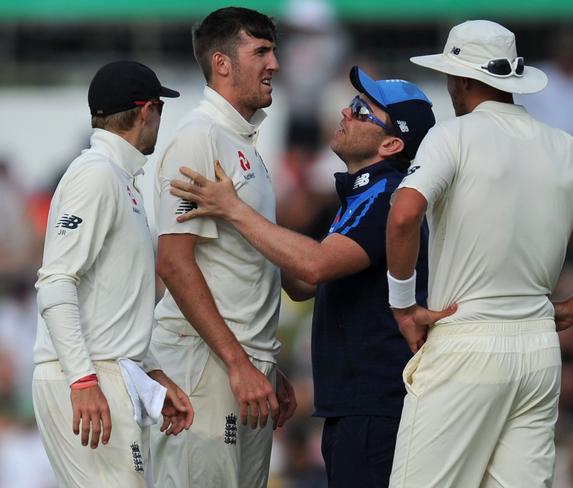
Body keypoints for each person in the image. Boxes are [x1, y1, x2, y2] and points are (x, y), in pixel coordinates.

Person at [384, 20, 573, 488]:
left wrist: (403, 305)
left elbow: (404, 215)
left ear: (462, 79)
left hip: (465, 346)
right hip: (538, 351)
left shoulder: (453, 136)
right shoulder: (569, 150)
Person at [167, 66, 455, 487]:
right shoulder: (363, 194)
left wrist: (236, 210)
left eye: (361, 109)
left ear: (392, 143)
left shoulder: (386, 197)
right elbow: (303, 285)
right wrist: (244, 228)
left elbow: (314, 266)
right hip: (357, 404)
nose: (345, 110)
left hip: (377, 406)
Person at [150, 7, 296, 488]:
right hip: (206, 365)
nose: (275, 63)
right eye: (261, 51)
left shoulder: (243, 143)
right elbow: (173, 262)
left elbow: (242, 266)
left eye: (273, 50)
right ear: (223, 63)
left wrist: (264, 365)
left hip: (242, 367)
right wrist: (239, 362)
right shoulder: (199, 138)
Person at [32, 60, 194, 488]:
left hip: (104, 372)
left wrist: (152, 373)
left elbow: (116, 301)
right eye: (160, 109)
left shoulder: (118, 177)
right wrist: (82, 380)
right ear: (147, 110)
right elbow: (55, 283)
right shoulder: (97, 176)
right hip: (86, 376)